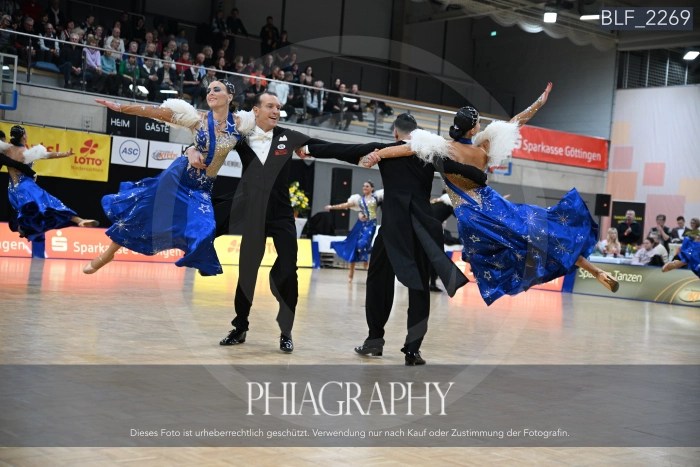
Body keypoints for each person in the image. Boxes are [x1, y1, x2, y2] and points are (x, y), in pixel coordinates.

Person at [364, 83, 620, 305]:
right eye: (477, 123)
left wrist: (377, 155)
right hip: (494, 205)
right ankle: (595, 270)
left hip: (471, 217)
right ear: (473, 130)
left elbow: (408, 148)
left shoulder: (444, 149)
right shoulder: (483, 149)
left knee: (503, 255)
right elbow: (515, 123)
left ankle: (444, 277)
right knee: (540, 233)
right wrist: (538, 103)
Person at [299, 113, 470, 365]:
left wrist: (308, 149)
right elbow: (464, 170)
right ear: (417, 131)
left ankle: (374, 340)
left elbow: (342, 149)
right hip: (422, 229)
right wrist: (482, 176)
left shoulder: (384, 150)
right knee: (419, 288)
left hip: (392, 228)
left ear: (395, 132)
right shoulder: (429, 153)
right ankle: (413, 350)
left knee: (379, 282)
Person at [187, 91, 346, 354]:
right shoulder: (241, 136)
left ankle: (286, 332)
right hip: (253, 214)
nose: (276, 111)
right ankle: (240, 327)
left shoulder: (288, 136)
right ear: (256, 110)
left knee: (289, 272)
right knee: (247, 272)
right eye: (270, 106)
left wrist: (370, 152)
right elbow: (209, 141)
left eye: (278, 107)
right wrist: (190, 149)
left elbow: (328, 147)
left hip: (282, 215)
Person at [82, 80, 255, 276]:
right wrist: (121, 108)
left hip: (202, 187)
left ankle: (196, 258)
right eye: (208, 90)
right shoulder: (197, 119)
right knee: (142, 212)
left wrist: (295, 144)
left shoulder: (240, 125)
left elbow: (268, 129)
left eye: (217, 89)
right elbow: (156, 112)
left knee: (206, 228)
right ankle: (107, 254)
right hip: (177, 177)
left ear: (230, 97)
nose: (211, 93)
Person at [1, 125, 98, 241]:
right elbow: (48, 155)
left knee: (29, 213)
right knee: (51, 205)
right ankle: (79, 220)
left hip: (12, 190)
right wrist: (65, 154)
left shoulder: (6, 150)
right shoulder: (26, 152)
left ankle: (24, 230)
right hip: (27, 187)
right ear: (24, 136)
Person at [324, 180, 382, 282]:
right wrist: (332, 207)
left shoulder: (376, 198)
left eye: (367, 186)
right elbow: (345, 205)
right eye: (363, 186)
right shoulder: (358, 200)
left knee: (362, 244)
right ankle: (351, 274)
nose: (364, 188)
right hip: (360, 225)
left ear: (372, 188)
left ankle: (366, 260)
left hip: (370, 225)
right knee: (353, 247)